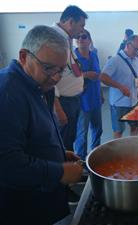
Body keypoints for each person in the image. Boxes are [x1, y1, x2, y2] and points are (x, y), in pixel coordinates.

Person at [0, 25, 83, 225]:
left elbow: (34, 133)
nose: (55, 77)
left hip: (43, 199)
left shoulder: (39, 84)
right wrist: (60, 171)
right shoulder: (7, 94)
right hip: (22, 209)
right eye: (48, 68)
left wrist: (59, 153)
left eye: (61, 70)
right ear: (23, 56)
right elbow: (8, 164)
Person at [52, 5, 88, 151]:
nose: (82, 30)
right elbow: (48, 76)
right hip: (62, 102)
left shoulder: (65, 38)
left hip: (72, 100)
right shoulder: (54, 38)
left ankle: (69, 168)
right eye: (81, 25)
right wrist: (57, 107)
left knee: (69, 138)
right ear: (70, 22)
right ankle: (66, 172)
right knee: (63, 142)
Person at [100, 35, 138, 139]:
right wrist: (120, 86)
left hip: (134, 101)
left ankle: (134, 149)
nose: (137, 52)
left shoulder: (136, 60)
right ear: (128, 45)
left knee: (135, 127)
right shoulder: (115, 60)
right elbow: (102, 77)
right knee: (118, 131)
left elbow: (135, 75)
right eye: (136, 49)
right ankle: (119, 152)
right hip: (119, 103)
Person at [73, 29, 103, 160]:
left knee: (98, 129)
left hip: (95, 97)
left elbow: (99, 75)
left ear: (89, 40)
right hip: (82, 100)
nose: (80, 39)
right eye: (78, 37)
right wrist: (86, 75)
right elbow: (70, 78)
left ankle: (95, 155)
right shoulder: (72, 58)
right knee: (82, 133)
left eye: (84, 36)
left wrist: (101, 93)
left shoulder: (94, 55)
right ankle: (81, 161)